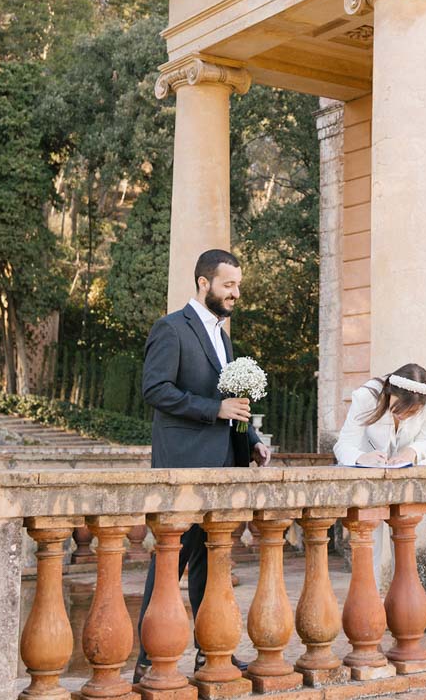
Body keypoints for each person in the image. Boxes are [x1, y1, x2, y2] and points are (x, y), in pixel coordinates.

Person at [134, 248, 271, 683]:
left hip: (222, 467)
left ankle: (213, 653)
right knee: (170, 563)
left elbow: (231, 402)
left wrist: (251, 442)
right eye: (228, 285)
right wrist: (214, 410)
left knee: (213, 563)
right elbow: (155, 390)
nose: (235, 293)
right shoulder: (172, 328)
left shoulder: (223, 336)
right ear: (203, 283)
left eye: (238, 286)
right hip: (183, 467)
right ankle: (146, 661)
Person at [333, 363, 426, 583]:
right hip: (369, 481)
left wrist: (412, 451)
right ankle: (369, 602)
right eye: (402, 409)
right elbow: (343, 445)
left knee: (405, 542)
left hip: (405, 479)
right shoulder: (365, 397)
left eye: (413, 412)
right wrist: (362, 458)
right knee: (369, 542)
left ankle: (403, 603)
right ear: (391, 394)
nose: (406, 416)